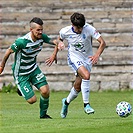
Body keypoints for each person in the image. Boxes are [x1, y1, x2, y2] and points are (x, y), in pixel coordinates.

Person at [0, 17, 63, 119]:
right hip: (21, 73)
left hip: (33, 69)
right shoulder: (22, 42)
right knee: (32, 100)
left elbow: (55, 41)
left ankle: (43, 115)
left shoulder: (42, 37)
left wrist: (57, 49)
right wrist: (2, 66)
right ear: (31, 30)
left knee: (46, 91)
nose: (40, 32)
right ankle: (21, 89)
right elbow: (8, 51)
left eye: (41, 29)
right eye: (38, 30)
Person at [58, 12, 106, 118]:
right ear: (72, 24)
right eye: (77, 28)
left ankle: (65, 102)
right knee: (86, 75)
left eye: (81, 27)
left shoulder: (89, 29)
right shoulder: (65, 31)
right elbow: (59, 39)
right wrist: (57, 49)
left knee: (77, 87)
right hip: (74, 57)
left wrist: (97, 55)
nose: (80, 30)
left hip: (87, 58)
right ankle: (86, 105)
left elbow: (102, 42)